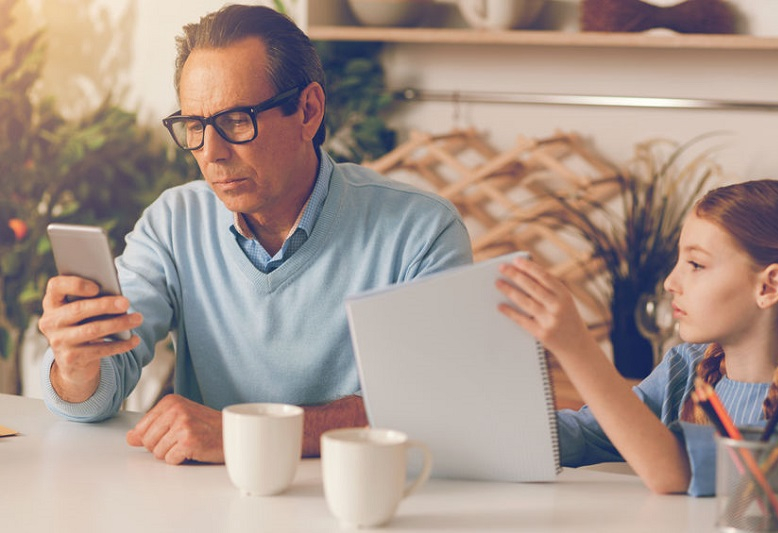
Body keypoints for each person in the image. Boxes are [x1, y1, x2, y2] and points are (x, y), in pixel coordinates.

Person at [38, 4, 472, 464]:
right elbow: (97, 392)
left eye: (236, 121)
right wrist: (76, 366)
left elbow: (432, 408)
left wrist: (246, 434)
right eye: (195, 126)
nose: (212, 153)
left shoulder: (421, 232)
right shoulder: (174, 221)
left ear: (309, 111)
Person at [496, 179, 778, 496]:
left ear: (769, 287)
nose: (671, 282)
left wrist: (576, 349)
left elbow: (676, 473)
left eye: (696, 264)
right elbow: (588, 433)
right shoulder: (684, 369)